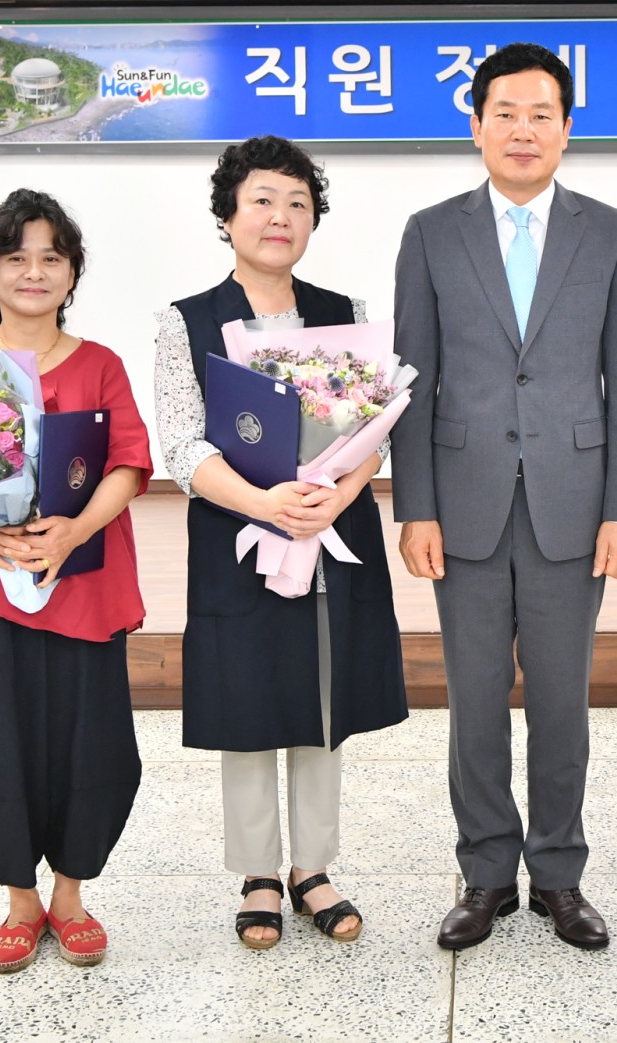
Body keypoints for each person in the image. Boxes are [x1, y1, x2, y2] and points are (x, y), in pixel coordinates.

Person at [392, 42, 617, 951]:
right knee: (473, 701)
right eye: (505, 112)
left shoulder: (611, 232)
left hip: (572, 505)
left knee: (561, 703)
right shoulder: (431, 232)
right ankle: (486, 873)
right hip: (461, 502)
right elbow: (411, 379)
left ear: (567, 128)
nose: (523, 129)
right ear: (477, 125)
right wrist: (413, 506)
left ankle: (561, 875)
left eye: (542, 114)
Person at [154, 136, 407, 950]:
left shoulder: (347, 313)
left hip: (331, 528)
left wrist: (338, 492)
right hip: (238, 530)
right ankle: (259, 870)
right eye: (262, 200)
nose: (280, 216)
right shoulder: (186, 320)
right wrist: (265, 502)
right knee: (248, 693)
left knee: (324, 692)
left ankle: (313, 867)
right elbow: (181, 444)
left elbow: (374, 431)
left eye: (298, 203)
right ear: (228, 215)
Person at [0, 188, 151, 973]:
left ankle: (71, 896)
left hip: (80, 582)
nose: (34, 272)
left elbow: (129, 463)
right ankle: (20, 898)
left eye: (52, 257)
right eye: (16, 257)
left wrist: (76, 528)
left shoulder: (100, 363)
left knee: (91, 739)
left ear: (73, 271)